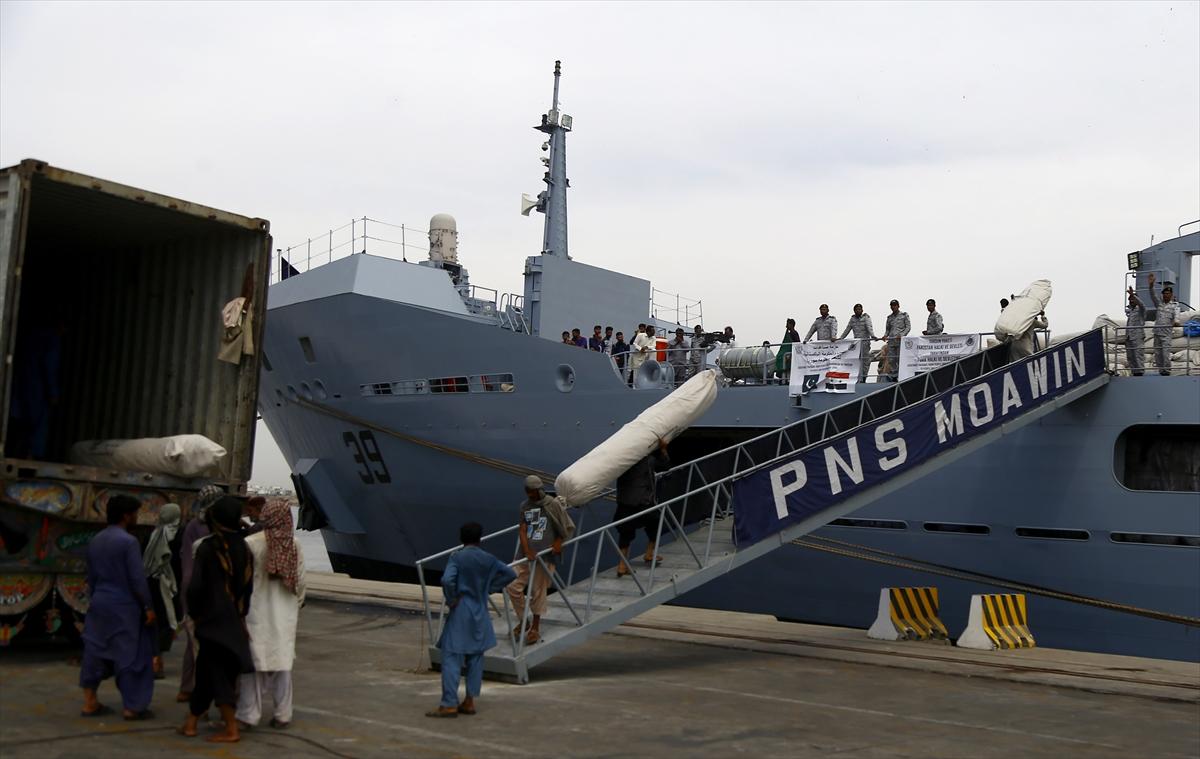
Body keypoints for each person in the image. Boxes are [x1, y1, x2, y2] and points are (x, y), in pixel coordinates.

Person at [179, 496, 254, 743]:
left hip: (211, 620)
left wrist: (195, 614)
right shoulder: (245, 547)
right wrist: (240, 614)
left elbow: (195, 587)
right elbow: (248, 588)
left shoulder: (207, 547)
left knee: (216, 673)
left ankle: (231, 728)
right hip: (233, 618)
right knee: (208, 673)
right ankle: (190, 723)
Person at [426, 522, 517, 719]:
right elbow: (511, 574)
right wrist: (490, 588)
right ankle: (469, 701)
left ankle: (449, 703)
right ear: (479, 538)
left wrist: (451, 599)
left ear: (462, 538)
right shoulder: (488, 559)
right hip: (480, 610)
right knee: (476, 657)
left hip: (461, 610)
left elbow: (447, 580)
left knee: (451, 657)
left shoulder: (457, 557)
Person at [79, 495, 156, 720]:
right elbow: (137, 579)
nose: (137, 517)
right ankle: (133, 707)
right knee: (132, 655)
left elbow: (91, 577)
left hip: (100, 602)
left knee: (94, 650)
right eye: (135, 513)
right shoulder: (128, 542)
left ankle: (89, 702)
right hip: (124, 605)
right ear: (126, 515)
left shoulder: (96, 540)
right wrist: (148, 606)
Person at [236, 500, 306, 730]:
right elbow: (301, 582)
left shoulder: (250, 543)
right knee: (282, 666)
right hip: (285, 615)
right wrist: (296, 605)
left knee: (253, 668)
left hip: (255, 612)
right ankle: (283, 714)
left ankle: (248, 716)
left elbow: (242, 581)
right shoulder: (294, 545)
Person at [505, 476, 571, 645]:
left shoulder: (552, 504)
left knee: (538, 591)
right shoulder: (525, 506)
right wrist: (527, 550)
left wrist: (558, 542)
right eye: (528, 492)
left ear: (540, 489)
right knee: (511, 586)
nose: (531, 495)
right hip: (524, 555)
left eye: (533, 492)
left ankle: (535, 627)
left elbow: (567, 527)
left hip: (545, 556)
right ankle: (523, 620)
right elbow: (523, 529)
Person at [176, 484, 223, 703]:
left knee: (192, 643)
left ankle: (186, 687)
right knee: (204, 647)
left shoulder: (193, 525)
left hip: (191, 591)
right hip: (204, 593)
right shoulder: (211, 529)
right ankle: (203, 695)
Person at [614, 438, 669, 577]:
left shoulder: (621, 462)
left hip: (624, 501)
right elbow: (664, 465)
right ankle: (649, 553)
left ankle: (621, 565)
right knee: (656, 523)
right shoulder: (647, 461)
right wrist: (662, 449)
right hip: (642, 501)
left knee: (625, 533)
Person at [143, 503, 183, 681]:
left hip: (152, 582)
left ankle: (154, 659)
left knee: (156, 622)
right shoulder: (177, 535)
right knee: (168, 621)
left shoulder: (152, 534)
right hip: (169, 585)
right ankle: (157, 662)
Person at [1148, 273, 1182, 376]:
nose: (1166, 295)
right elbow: (1153, 295)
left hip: (1166, 334)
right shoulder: (1159, 304)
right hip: (1157, 332)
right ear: (1162, 295)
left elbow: (1177, 316)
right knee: (1157, 353)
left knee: (1165, 353)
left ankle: (1166, 371)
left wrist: (1176, 321)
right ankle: (1161, 370)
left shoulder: (1175, 306)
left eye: (1168, 293)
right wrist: (1151, 285)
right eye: (1165, 293)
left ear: (1171, 295)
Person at [840, 304, 878, 383]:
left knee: (865, 361)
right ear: (854, 311)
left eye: (859, 309)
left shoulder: (866, 317)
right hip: (857, 344)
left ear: (862, 310)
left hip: (865, 343)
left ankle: (864, 378)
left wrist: (873, 335)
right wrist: (840, 339)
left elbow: (869, 327)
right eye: (856, 309)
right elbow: (847, 329)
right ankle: (857, 378)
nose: (858, 311)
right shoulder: (852, 319)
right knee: (857, 361)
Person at [881, 300, 911, 382]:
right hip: (891, 341)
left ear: (898, 306)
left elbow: (908, 327)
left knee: (899, 358)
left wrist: (902, 335)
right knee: (891, 359)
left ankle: (900, 375)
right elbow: (887, 330)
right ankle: (894, 375)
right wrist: (885, 335)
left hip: (900, 341)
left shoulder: (904, 315)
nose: (893, 307)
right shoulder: (889, 318)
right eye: (892, 305)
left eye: (894, 305)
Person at [1125, 286, 1147, 377]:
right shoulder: (1131, 311)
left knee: (1138, 354)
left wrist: (1132, 294)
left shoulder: (1140, 310)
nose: (1131, 301)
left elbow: (1142, 305)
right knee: (1130, 356)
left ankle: (1140, 373)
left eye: (1133, 299)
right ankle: (1134, 372)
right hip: (1129, 337)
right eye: (1130, 299)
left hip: (1137, 336)